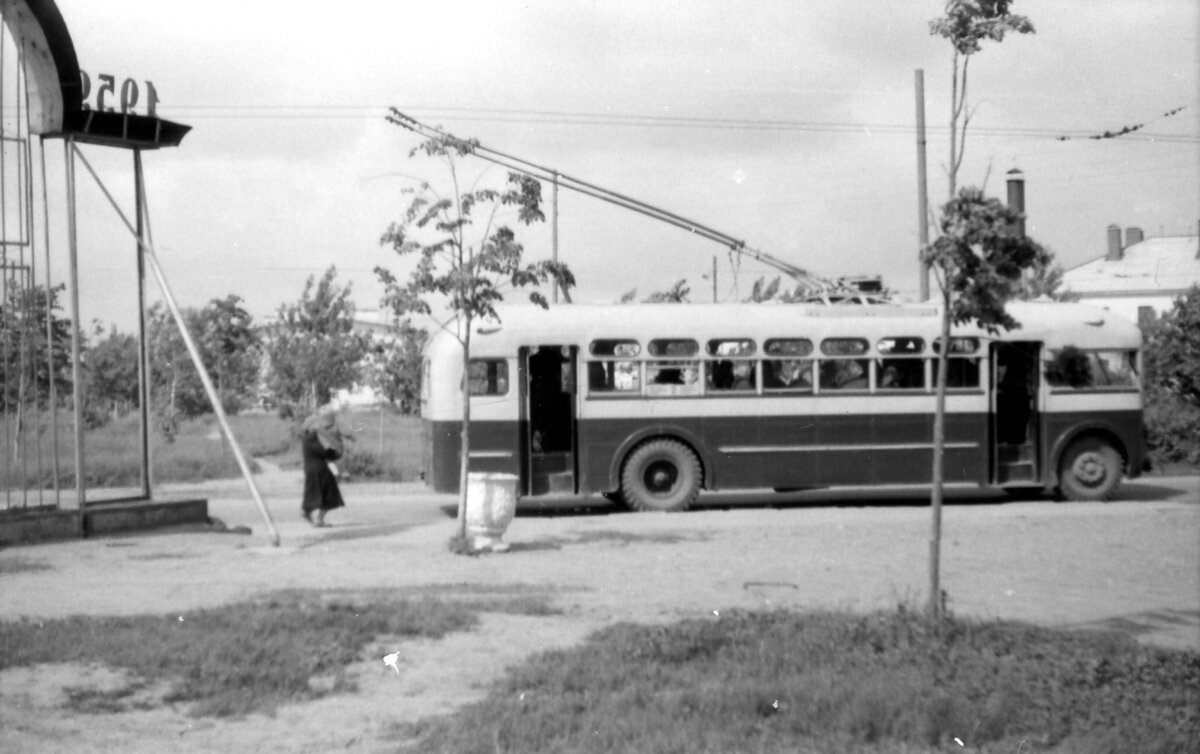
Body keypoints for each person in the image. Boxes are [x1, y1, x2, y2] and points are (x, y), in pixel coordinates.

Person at [301, 410, 346, 527]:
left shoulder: (309, 437)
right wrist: (337, 452)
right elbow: (324, 452)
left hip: (316, 468)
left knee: (318, 493)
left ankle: (314, 516)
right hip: (317, 469)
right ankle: (312, 515)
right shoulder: (311, 438)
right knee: (327, 493)